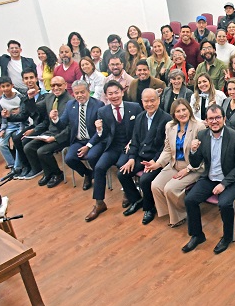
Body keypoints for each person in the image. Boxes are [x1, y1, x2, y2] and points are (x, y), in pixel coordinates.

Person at [182, 104, 235, 253]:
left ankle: (227, 237)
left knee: (224, 204)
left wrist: (224, 184)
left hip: (232, 179)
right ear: (206, 121)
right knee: (190, 199)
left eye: (218, 117)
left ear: (224, 119)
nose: (214, 121)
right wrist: (193, 151)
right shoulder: (202, 136)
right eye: (211, 119)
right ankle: (197, 235)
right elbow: (195, 163)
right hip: (210, 177)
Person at [83, 81, 143, 222]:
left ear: (122, 92)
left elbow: (141, 128)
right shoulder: (103, 111)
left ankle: (128, 194)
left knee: (122, 166)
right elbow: (103, 136)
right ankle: (99, 203)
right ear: (106, 96)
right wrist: (99, 130)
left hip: (130, 146)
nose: (114, 96)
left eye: (116, 92)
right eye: (110, 94)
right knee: (98, 167)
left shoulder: (134, 107)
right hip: (113, 147)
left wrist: (133, 143)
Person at [116, 88, 172, 222]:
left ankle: (149, 208)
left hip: (158, 159)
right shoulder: (140, 117)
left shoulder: (166, 119)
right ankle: (136, 200)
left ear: (158, 100)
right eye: (146, 101)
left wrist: (154, 161)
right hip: (141, 156)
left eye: (152, 100)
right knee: (122, 173)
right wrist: (131, 159)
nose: (149, 104)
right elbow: (135, 141)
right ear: (142, 102)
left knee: (145, 180)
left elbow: (166, 147)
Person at [147, 98, 204, 227]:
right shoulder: (170, 126)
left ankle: (182, 214)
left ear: (189, 110)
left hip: (194, 167)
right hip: (174, 164)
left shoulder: (199, 126)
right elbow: (167, 149)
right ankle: (171, 211)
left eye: (184, 110)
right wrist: (158, 163)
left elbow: (203, 156)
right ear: (173, 114)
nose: (182, 113)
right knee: (155, 185)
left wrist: (188, 169)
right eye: (178, 111)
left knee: (170, 188)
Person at [51, 80, 102, 188]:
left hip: (94, 140)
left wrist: (88, 146)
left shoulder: (98, 105)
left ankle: (99, 177)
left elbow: (100, 132)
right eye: (76, 93)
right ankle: (88, 174)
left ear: (88, 91)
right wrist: (55, 119)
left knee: (92, 156)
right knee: (69, 159)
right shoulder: (70, 105)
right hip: (78, 141)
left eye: (82, 92)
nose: (79, 95)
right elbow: (62, 124)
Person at [0, 76, 29, 175]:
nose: (5, 88)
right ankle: (12, 165)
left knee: (17, 141)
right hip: (9, 125)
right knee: (0, 144)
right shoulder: (0, 100)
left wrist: (13, 114)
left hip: (21, 124)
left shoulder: (20, 97)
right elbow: (3, 116)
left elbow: (23, 115)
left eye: (7, 86)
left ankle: (18, 167)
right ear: (0, 88)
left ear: (12, 85)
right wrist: (2, 129)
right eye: (3, 86)